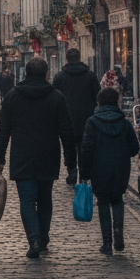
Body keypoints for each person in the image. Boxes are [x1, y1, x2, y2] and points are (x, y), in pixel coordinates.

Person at [0, 58, 77, 258]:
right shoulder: (56, 97)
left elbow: (3, 129)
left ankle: (34, 239)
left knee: (28, 200)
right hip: (48, 153)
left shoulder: (13, 96)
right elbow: (67, 130)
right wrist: (71, 161)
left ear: (26, 74)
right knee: (45, 199)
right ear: (46, 74)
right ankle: (43, 237)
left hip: (22, 153)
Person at [80, 87, 140, 254]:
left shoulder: (92, 122)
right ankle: (119, 234)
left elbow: (86, 149)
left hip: (99, 168)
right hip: (121, 168)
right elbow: (134, 148)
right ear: (116, 102)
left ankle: (107, 243)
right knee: (118, 199)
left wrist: (84, 173)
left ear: (99, 102)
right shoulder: (124, 123)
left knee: (103, 201)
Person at [53, 47, 100, 185]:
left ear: (67, 59)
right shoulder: (90, 75)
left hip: (66, 119)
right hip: (86, 117)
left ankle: (72, 170)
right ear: (79, 58)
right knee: (84, 146)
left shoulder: (60, 76)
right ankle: (84, 172)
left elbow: (55, 97)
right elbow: (97, 95)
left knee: (69, 146)